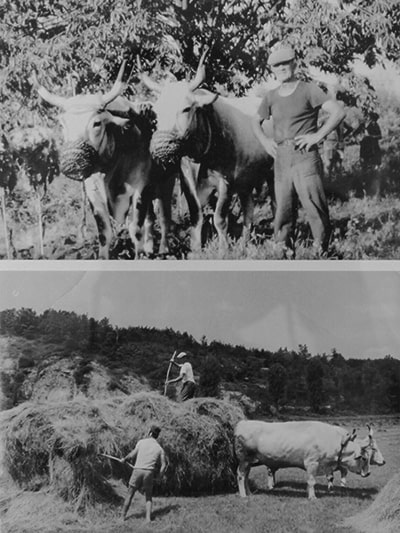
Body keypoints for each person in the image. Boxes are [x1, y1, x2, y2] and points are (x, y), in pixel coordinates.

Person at [252, 44, 346, 255]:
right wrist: (266, 142)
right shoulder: (271, 96)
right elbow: (255, 122)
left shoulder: (309, 89)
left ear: (294, 63)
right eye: (277, 65)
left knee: (314, 205)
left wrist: (318, 136)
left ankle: (321, 249)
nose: (282, 68)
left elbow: (338, 112)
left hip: (305, 156)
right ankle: (284, 250)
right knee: (283, 208)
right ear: (272, 70)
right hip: (281, 158)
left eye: (286, 63)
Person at [121, 424, 167, 524]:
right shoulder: (159, 448)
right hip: (149, 472)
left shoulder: (141, 442)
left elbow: (132, 454)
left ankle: (122, 518)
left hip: (137, 470)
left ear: (150, 433)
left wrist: (124, 459)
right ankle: (148, 519)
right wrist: (159, 477)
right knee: (149, 497)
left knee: (130, 494)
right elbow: (164, 465)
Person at [359, 112, 382, 196]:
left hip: (374, 149)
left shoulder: (375, 125)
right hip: (364, 149)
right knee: (364, 170)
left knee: (375, 170)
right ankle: (365, 192)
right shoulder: (362, 125)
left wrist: (370, 136)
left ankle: (375, 193)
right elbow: (354, 134)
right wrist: (359, 139)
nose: (373, 121)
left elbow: (380, 136)